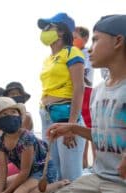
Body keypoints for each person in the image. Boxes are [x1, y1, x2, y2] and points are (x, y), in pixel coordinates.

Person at [47, 15, 126, 193]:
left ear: (118, 41)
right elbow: (104, 136)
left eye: (96, 40)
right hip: (97, 177)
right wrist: (74, 128)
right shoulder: (97, 91)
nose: (90, 49)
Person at [38, 12, 85, 181]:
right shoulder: (48, 59)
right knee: (54, 170)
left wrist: (72, 126)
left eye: (49, 27)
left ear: (62, 32)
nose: (44, 30)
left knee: (70, 174)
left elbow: (79, 88)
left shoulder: (73, 53)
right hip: (46, 114)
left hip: (66, 116)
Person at [0, 97, 69, 193]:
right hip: (29, 173)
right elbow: (3, 167)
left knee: (19, 192)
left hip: (44, 172)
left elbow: (24, 171)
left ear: (19, 116)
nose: (10, 116)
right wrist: (0, 191)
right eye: (4, 114)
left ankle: (58, 184)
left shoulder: (26, 137)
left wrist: (7, 192)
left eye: (13, 112)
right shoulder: (1, 140)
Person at [73, 26, 96, 169]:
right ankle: (83, 162)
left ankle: (96, 162)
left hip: (85, 91)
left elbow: (83, 75)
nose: (73, 40)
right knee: (80, 126)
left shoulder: (86, 52)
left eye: (75, 37)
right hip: (75, 91)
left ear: (85, 38)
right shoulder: (73, 53)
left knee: (89, 126)